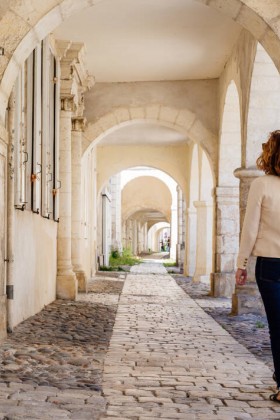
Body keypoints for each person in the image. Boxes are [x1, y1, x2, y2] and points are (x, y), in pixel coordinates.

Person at [235, 130, 280, 402]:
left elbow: (250, 229)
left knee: (278, 325)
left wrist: (241, 264)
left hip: (270, 266)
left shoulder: (262, 185)